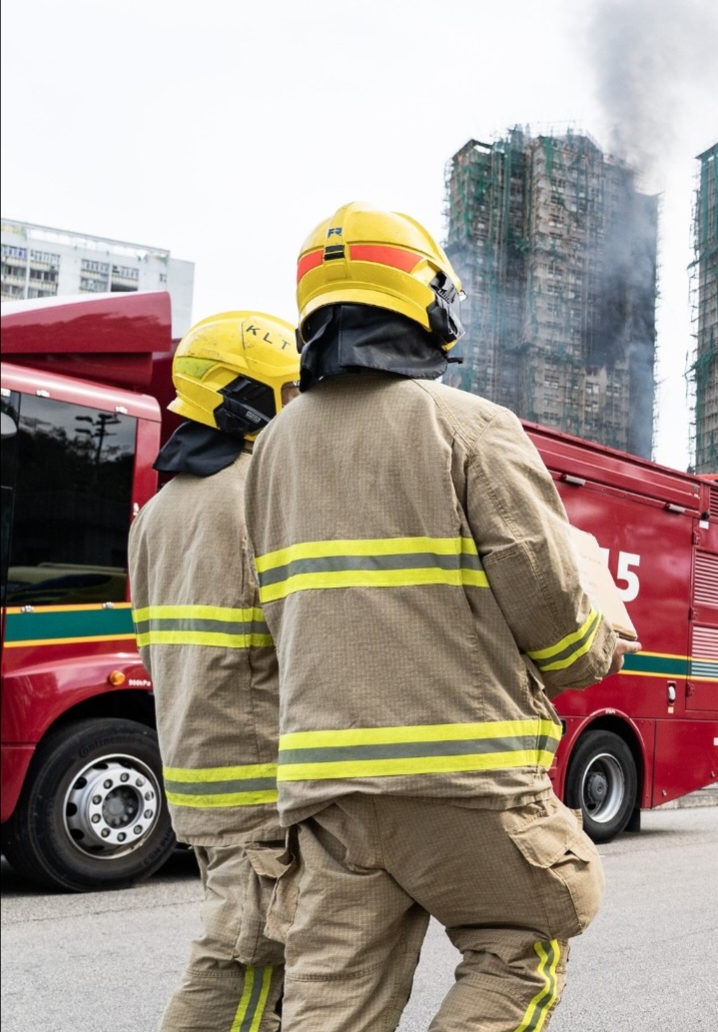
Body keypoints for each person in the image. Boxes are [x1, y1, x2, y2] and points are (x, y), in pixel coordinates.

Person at [245, 203, 637, 1030]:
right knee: (525, 942)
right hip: (465, 780)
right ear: (425, 303)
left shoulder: (274, 448)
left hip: (329, 797)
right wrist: (604, 642)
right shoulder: (471, 427)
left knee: (332, 1009)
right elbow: (556, 625)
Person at [129, 312, 300, 1032]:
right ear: (245, 397)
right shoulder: (253, 494)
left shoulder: (159, 512)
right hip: (258, 785)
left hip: (200, 776)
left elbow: (149, 647)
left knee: (256, 963)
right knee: (243, 967)